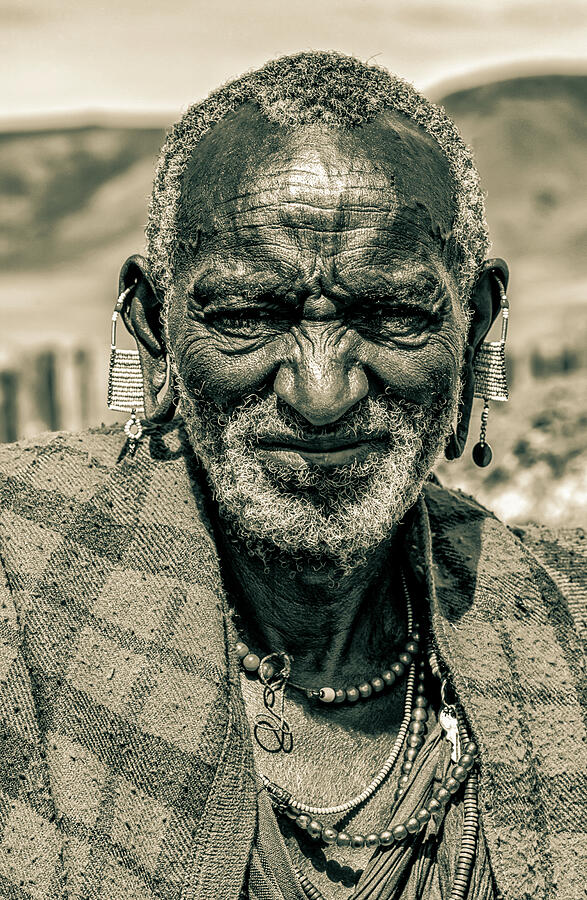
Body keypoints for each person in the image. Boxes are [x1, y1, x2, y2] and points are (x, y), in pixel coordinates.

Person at [0, 51, 585, 900]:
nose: (320, 393)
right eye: (245, 315)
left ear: (477, 321)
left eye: (389, 315)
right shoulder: (22, 576)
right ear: (154, 326)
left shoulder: (564, 628)